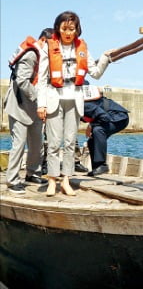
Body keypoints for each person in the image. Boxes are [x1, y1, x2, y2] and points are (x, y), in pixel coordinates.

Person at [37, 11, 114, 196]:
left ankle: (66, 180)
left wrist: (105, 58)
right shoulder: (48, 47)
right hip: (54, 98)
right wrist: (41, 104)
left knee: (71, 142)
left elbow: (95, 73)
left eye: (71, 29)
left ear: (77, 29)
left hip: (75, 100)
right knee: (54, 143)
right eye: (64, 28)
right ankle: (52, 180)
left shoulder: (82, 48)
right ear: (58, 28)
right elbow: (41, 78)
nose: (68, 32)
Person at [4, 28, 54, 194]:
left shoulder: (44, 59)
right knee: (19, 143)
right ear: (43, 41)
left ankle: (33, 172)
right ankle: (12, 181)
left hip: (33, 108)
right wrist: (40, 100)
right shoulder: (31, 54)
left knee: (37, 142)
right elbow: (22, 81)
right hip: (19, 105)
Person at [82, 84, 129, 176]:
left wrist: (91, 126)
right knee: (91, 141)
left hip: (119, 118)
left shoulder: (84, 105)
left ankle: (102, 165)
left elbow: (104, 117)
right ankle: (97, 168)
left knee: (98, 130)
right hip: (107, 117)